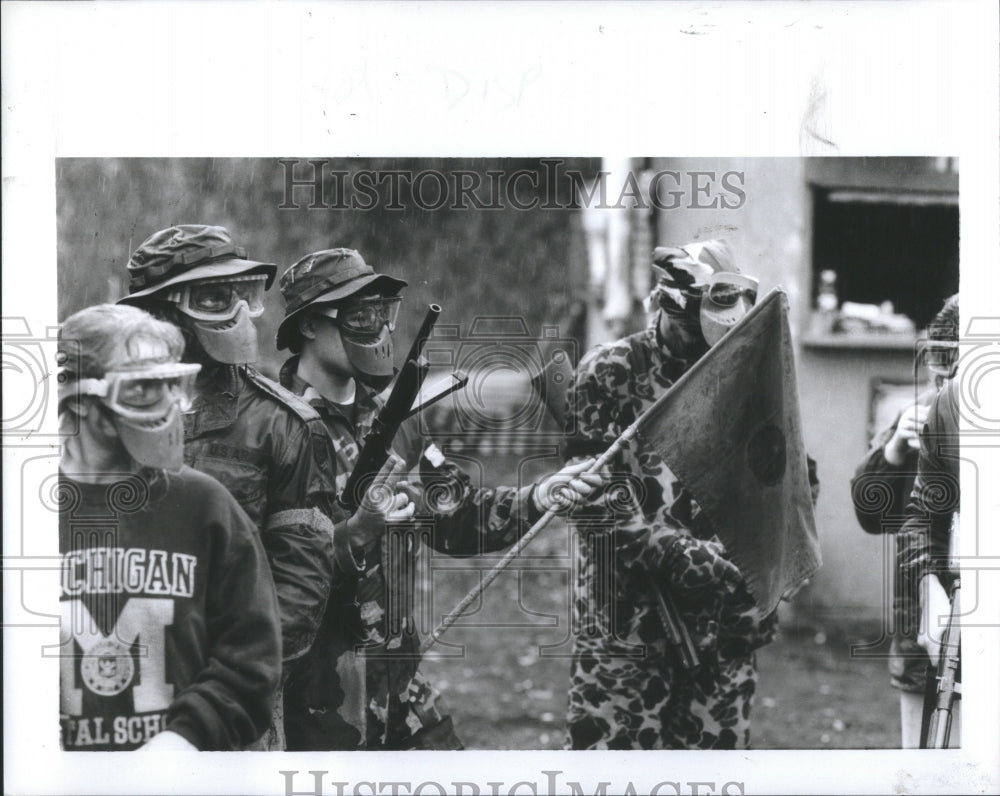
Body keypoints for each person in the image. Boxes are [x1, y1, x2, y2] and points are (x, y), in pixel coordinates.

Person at [273, 247, 605, 750]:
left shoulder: (396, 417)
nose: (376, 328)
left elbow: (455, 512)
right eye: (357, 313)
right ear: (308, 326)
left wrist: (539, 494)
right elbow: (262, 570)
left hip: (398, 689)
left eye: (381, 313)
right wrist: (353, 533)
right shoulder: (275, 428)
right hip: (313, 699)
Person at [561, 239, 818, 750]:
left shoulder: (746, 374)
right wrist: (671, 550)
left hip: (721, 620)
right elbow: (586, 485)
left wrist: (773, 560)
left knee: (712, 770)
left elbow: (791, 478)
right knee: (615, 768)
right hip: (627, 620)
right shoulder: (610, 371)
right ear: (672, 307)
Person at [117, 225, 351, 749]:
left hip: (229, 711)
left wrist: (230, 693)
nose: (239, 311)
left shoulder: (284, 424)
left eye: (243, 294)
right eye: (217, 296)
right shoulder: (102, 413)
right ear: (160, 312)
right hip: (116, 686)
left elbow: (300, 585)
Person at [57, 304, 281, 751]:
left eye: (171, 386)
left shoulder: (204, 504)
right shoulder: (22, 510)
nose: (165, 409)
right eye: (142, 388)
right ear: (79, 396)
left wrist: (185, 741)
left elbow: (252, 657)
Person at [851, 294, 959, 747]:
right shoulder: (918, 414)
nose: (946, 377)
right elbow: (869, 514)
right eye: (940, 363)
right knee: (921, 749)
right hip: (919, 612)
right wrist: (895, 448)